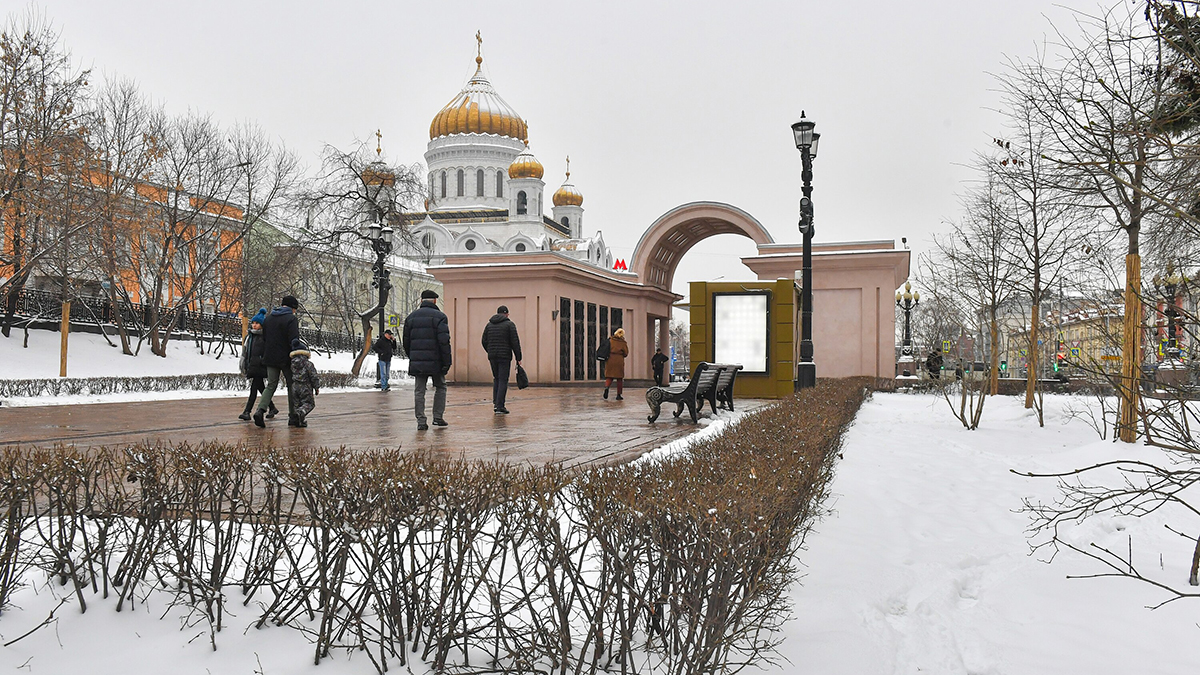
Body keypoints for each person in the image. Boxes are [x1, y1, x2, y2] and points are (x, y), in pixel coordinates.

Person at [403, 289, 452, 430]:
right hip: (436, 361)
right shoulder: (440, 317)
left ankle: (421, 421)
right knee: (441, 386)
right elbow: (444, 342)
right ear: (435, 300)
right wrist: (446, 361)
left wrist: (413, 356)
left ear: (421, 301)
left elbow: (406, 342)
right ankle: (437, 417)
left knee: (419, 390)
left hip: (418, 361)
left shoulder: (411, 318)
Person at [253, 295, 301, 428]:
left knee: (271, 385)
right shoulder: (291, 319)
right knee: (291, 385)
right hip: (286, 358)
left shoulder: (268, 318)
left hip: (270, 357)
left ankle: (260, 410)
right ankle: (293, 416)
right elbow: (294, 340)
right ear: (292, 308)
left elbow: (265, 338)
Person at [238, 308, 278, 420]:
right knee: (260, 387)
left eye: (257, 323)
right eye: (253, 323)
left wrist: (262, 360)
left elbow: (268, 351)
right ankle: (272, 407)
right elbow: (246, 352)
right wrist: (244, 363)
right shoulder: (250, 337)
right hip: (253, 366)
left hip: (260, 366)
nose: (254, 325)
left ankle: (247, 412)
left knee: (254, 389)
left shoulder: (265, 337)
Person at [481, 304, 522, 414]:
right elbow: (515, 342)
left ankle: (496, 404)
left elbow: (484, 341)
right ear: (506, 314)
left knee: (496, 378)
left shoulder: (489, 325)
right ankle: (500, 406)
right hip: (504, 356)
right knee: (503, 379)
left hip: (492, 356)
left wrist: (490, 350)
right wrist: (519, 357)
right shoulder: (510, 325)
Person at [289, 338, 321, 427]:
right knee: (309, 404)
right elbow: (313, 376)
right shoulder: (308, 364)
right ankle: (300, 413)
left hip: (295, 386)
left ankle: (300, 421)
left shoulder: (292, 363)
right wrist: (316, 387)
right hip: (305, 386)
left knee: (297, 404)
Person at [603, 327, 629, 400]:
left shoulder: (610, 340)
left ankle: (606, 387)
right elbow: (626, 353)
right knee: (619, 378)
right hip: (619, 360)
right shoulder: (623, 343)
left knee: (609, 376)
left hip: (610, 360)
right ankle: (618, 395)